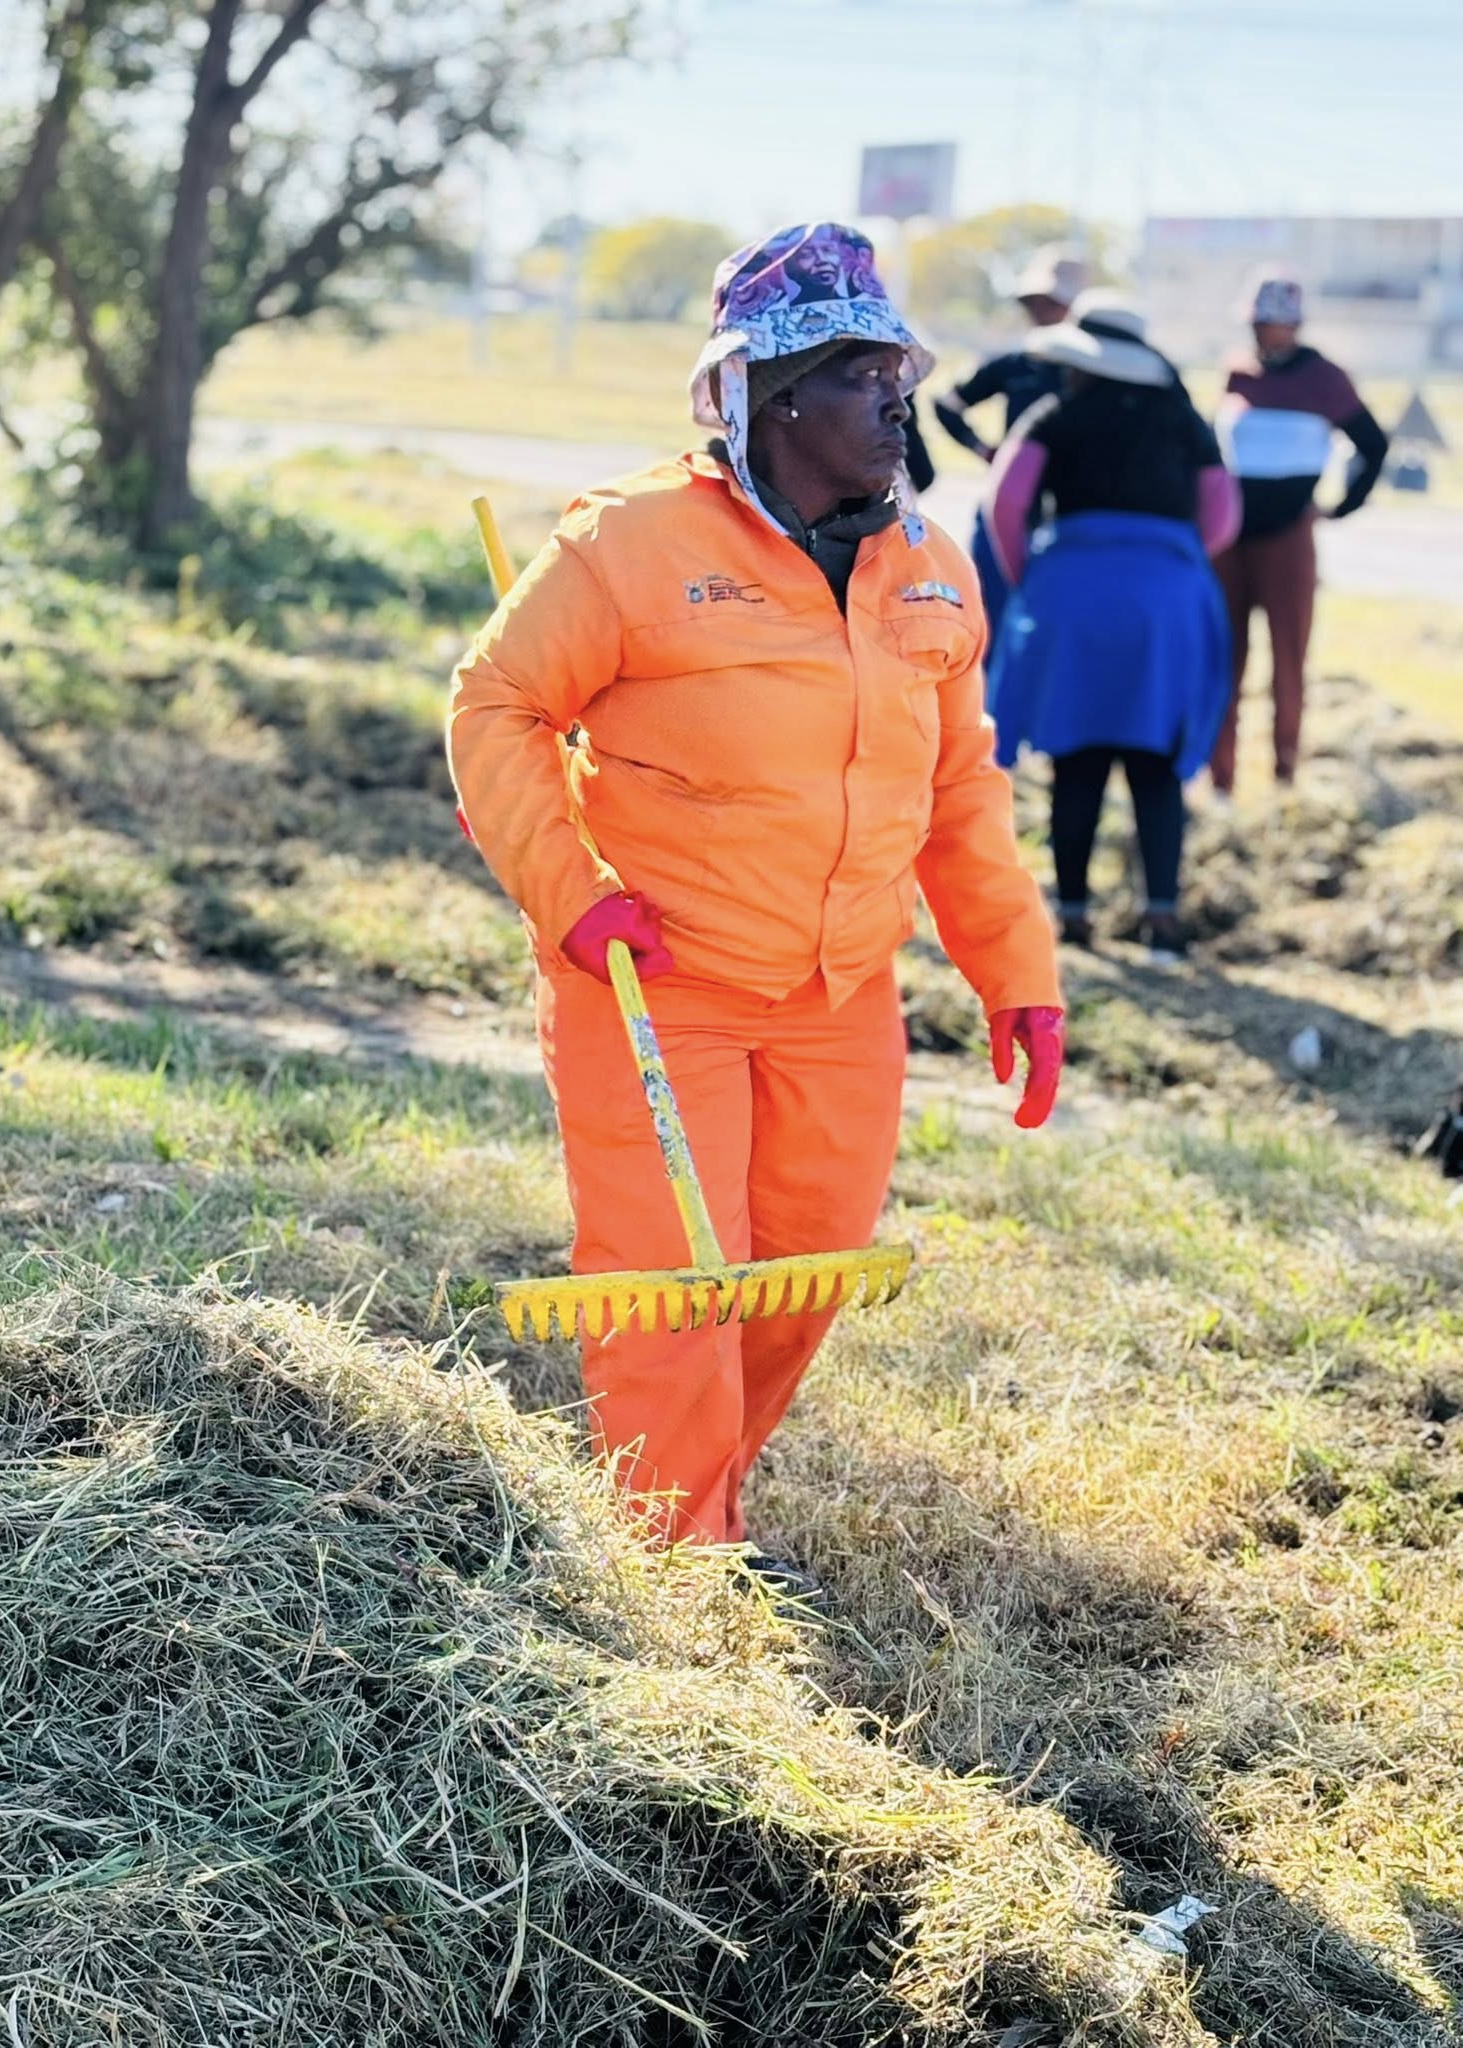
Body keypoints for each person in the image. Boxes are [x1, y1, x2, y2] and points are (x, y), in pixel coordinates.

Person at [449, 222, 1064, 1568]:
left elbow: (962, 789)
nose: (895, 398)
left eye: (897, 370)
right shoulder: (629, 542)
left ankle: (700, 1499)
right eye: (858, 375)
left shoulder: (933, 566)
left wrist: (1016, 972)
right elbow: (495, 706)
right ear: (768, 395)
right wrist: (571, 895)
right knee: (677, 1281)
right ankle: (680, 1568)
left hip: (842, 992)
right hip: (654, 980)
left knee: (801, 1267)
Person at [984, 292, 1241, 963]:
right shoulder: (1185, 419)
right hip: (1165, 604)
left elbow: (1004, 504)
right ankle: (1162, 922)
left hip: (1071, 597)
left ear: (1080, 362)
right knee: (1157, 763)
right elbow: (1222, 515)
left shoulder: (1053, 414)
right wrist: (1172, 562)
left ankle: (1072, 918)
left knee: (1077, 759)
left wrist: (1032, 577)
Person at [1210, 271, 1390, 793]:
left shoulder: (1325, 379)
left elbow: (1373, 445)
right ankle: (1220, 778)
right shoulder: (1237, 372)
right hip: (1231, 536)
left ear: (1294, 324)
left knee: (1288, 658)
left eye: (1274, 323)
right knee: (1223, 658)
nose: (1264, 332)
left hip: (1288, 535)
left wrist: (1340, 507)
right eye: (1257, 323)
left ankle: (1284, 774)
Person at [932, 246, 1088, 644]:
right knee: (992, 618)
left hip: (1070, 513)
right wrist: (985, 451)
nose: (1040, 311)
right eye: (1033, 302)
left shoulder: (1094, 372)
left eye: (1051, 302)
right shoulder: (1017, 363)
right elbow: (947, 404)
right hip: (1010, 505)